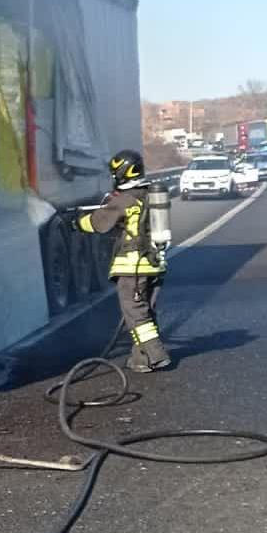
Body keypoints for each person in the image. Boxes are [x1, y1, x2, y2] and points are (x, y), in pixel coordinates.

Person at [72, 149, 172, 372]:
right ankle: (141, 360)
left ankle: (156, 354)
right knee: (146, 312)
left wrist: (76, 223)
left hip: (132, 266)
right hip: (156, 265)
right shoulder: (150, 196)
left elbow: (99, 223)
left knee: (135, 313)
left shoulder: (125, 200)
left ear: (122, 174)